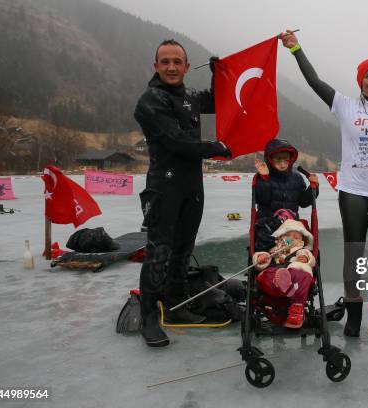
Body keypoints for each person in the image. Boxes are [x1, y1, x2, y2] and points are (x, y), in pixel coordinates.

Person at [280, 30, 368, 337]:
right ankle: (354, 321)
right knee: (354, 256)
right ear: (360, 81)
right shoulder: (346, 106)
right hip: (353, 190)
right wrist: (295, 48)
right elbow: (314, 81)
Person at [134, 39, 232, 347]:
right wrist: (214, 148)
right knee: (159, 252)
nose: (172, 67)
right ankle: (149, 316)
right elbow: (175, 141)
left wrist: (218, 73)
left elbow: (216, 103)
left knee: (183, 248)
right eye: (165, 62)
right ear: (156, 66)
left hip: (192, 187)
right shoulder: (150, 101)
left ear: (187, 67)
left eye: (177, 62)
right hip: (164, 186)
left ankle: (176, 305)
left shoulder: (189, 95)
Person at [253, 139, 318, 251]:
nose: (283, 164)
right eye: (278, 161)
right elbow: (262, 200)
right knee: (265, 242)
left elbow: (303, 202)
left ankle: (291, 257)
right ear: (270, 160)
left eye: (286, 160)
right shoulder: (263, 176)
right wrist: (265, 180)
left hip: (290, 225)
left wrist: (313, 187)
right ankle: (273, 254)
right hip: (268, 224)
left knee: (300, 242)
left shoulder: (297, 178)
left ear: (290, 160)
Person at [253, 218, 317, 329]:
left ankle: (294, 303)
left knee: (302, 271)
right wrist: (261, 258)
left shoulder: (301, 249)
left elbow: (310, 258)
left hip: (294, 278)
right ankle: (281, 283)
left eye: (296, 237)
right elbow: (260, 260)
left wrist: (305, 258)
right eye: (288, 235)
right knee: (266, 275)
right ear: (280, 237)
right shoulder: (273, 249)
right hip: (275, 274)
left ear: (303, 241)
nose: (292, 238)